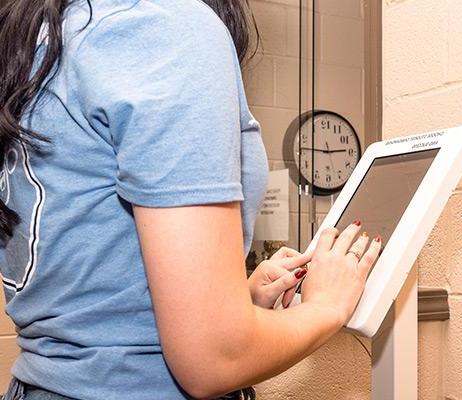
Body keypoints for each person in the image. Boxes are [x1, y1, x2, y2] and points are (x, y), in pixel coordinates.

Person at [0, 1, 382, 399]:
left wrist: (234, 301)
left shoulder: (49, 35)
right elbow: (214, 359)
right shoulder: (163, 26)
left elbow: (90, 276)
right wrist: (326, 307)